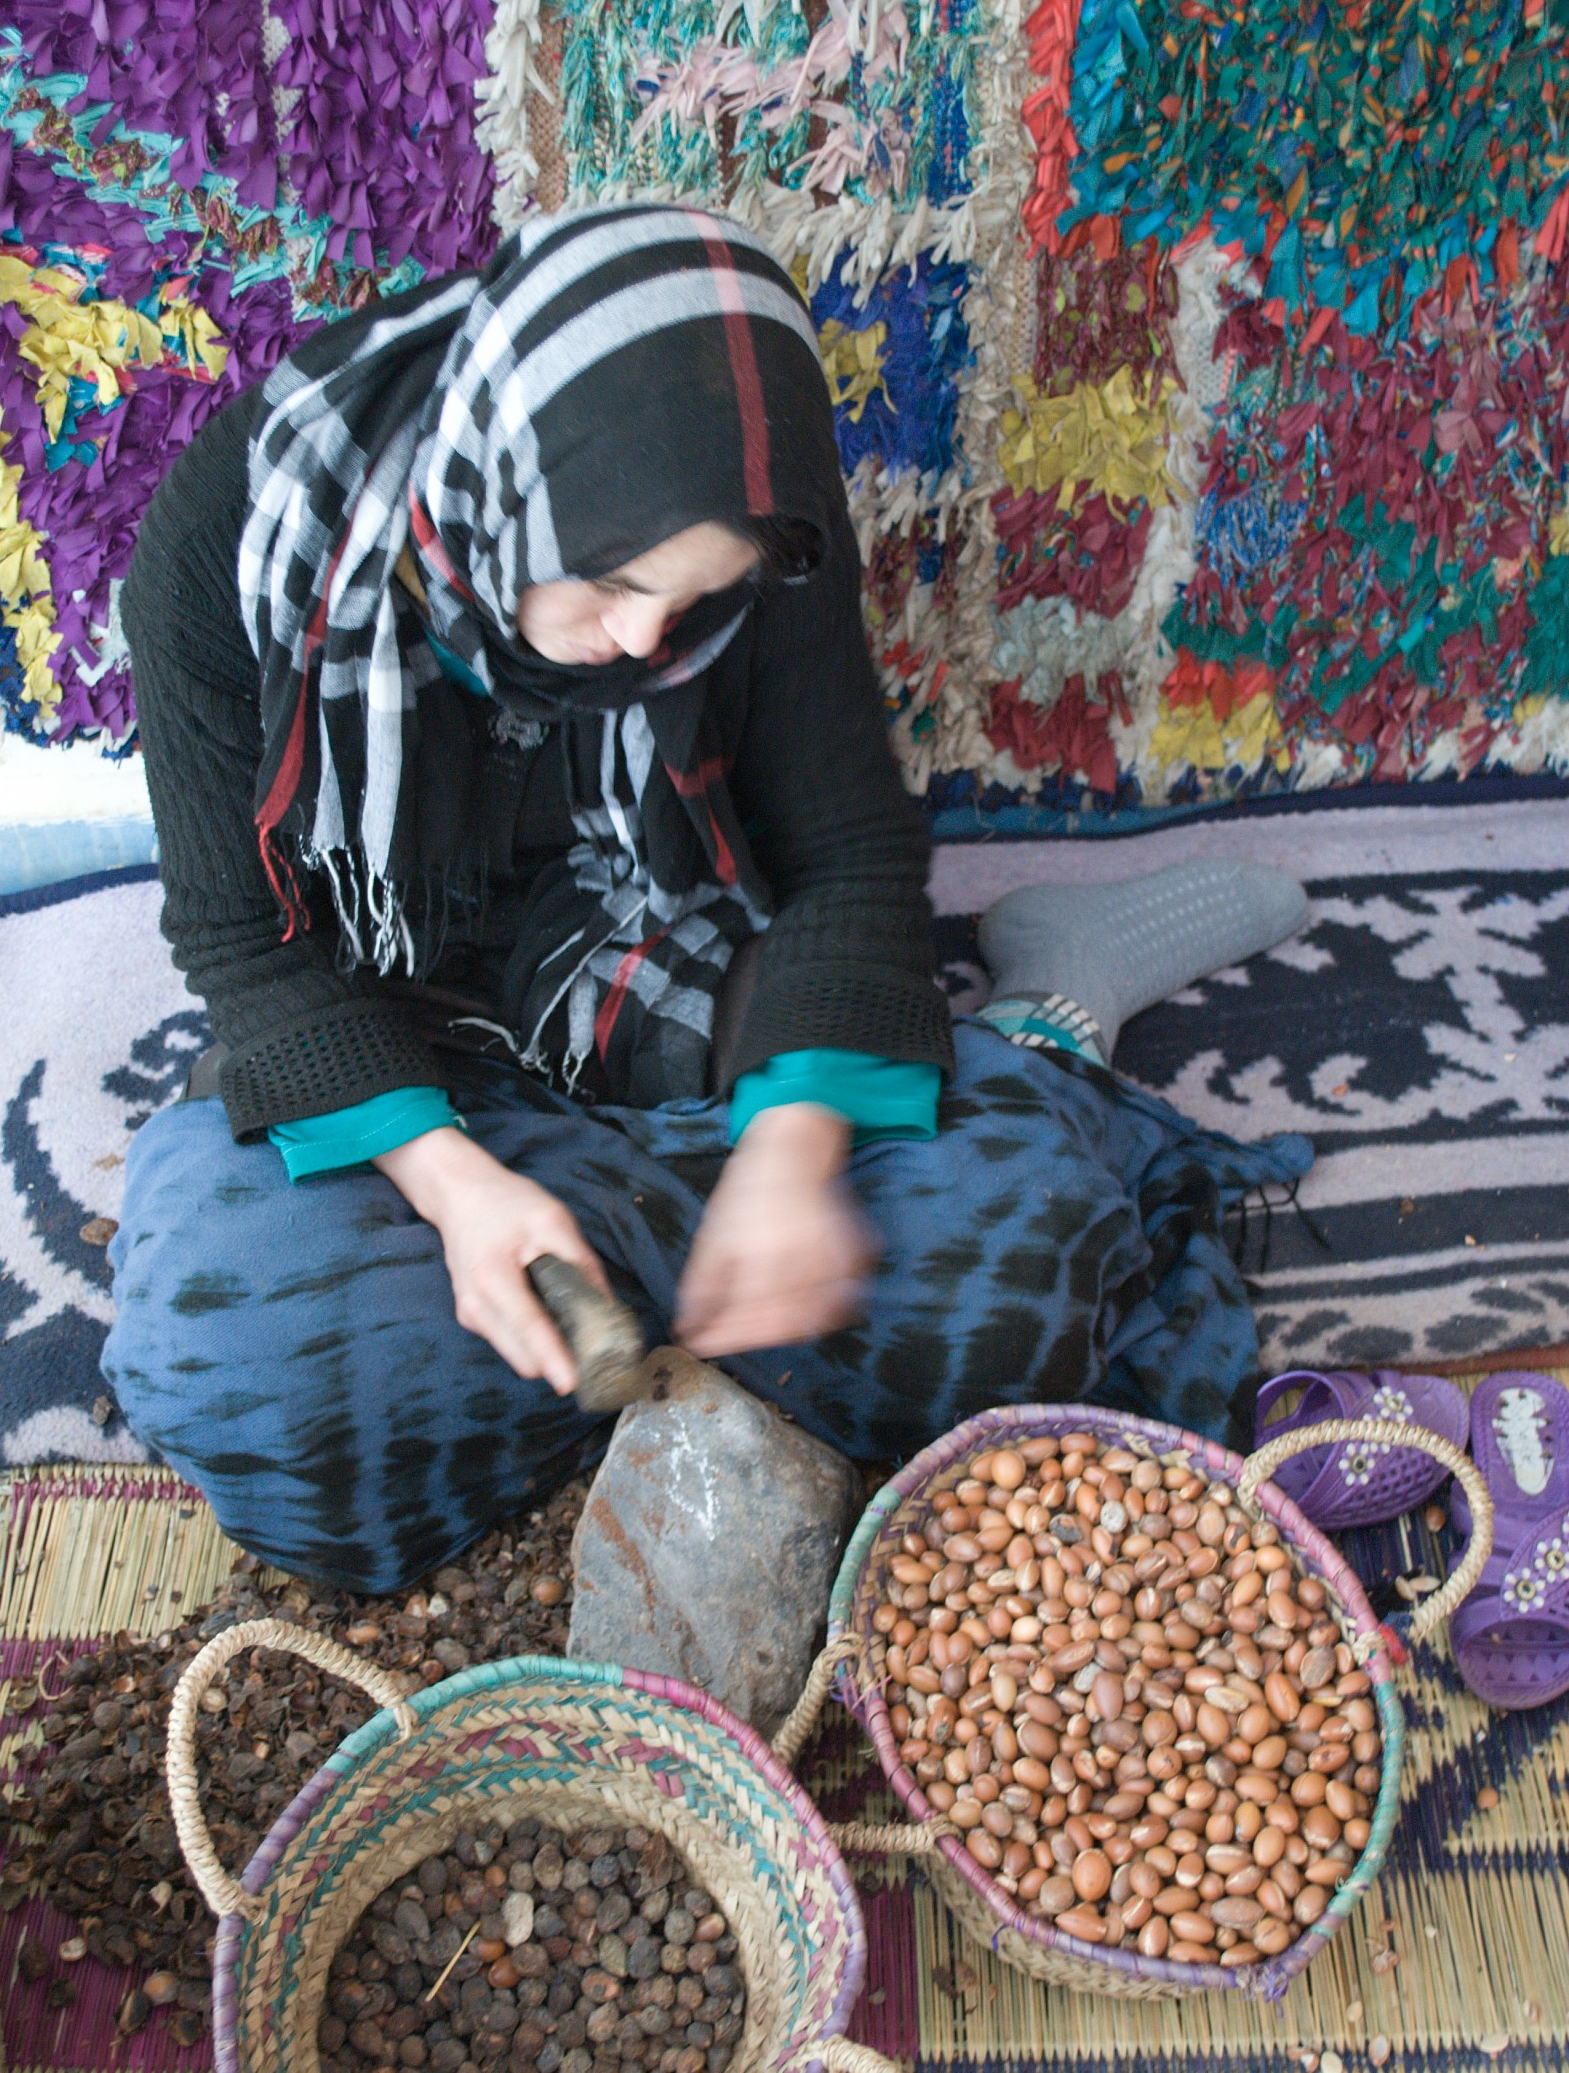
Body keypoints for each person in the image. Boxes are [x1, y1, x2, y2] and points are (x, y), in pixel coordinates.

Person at [103, 204, 1309, 1595]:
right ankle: (743, 1210)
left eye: (692, 603)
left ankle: (1049, 1011)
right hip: (386, 993)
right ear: (501, 481)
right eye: (610, 582)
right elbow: (244, 939)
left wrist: (789, 1166)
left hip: (660, 933)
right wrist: (458, 1194)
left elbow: (847, 856)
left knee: (1024, 1273)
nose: (640, 643)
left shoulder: (752, 510)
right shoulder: (234, 538)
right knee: (245, 1372)